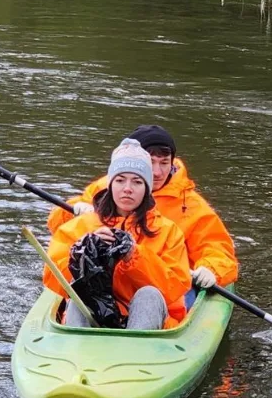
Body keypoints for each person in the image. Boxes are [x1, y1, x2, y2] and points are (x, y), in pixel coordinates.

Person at [48, 125, 238, 303]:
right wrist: (73, 211)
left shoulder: (191, 206)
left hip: (165, 281)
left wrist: (211, 268)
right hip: (106, 279)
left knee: (156, 298)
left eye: (164, 163)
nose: (157, 172)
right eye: (150, 162)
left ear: (172, 163)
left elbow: (216, 247)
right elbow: (59, 229)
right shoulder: (105, 188)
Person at [43, 138, 191, 330]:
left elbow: (175, 287)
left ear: (147, 189)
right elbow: (53, 280)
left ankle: (134, 350)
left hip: (146, 322)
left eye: (137, 182)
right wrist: (84, 251)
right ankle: (76, 348)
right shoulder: (80, 226)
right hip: (91, 318)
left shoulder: (168, 231)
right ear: (110, 184)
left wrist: (134, 256)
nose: (127, 189)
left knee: (149, 294)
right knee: (79, 289)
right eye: (120, 180)